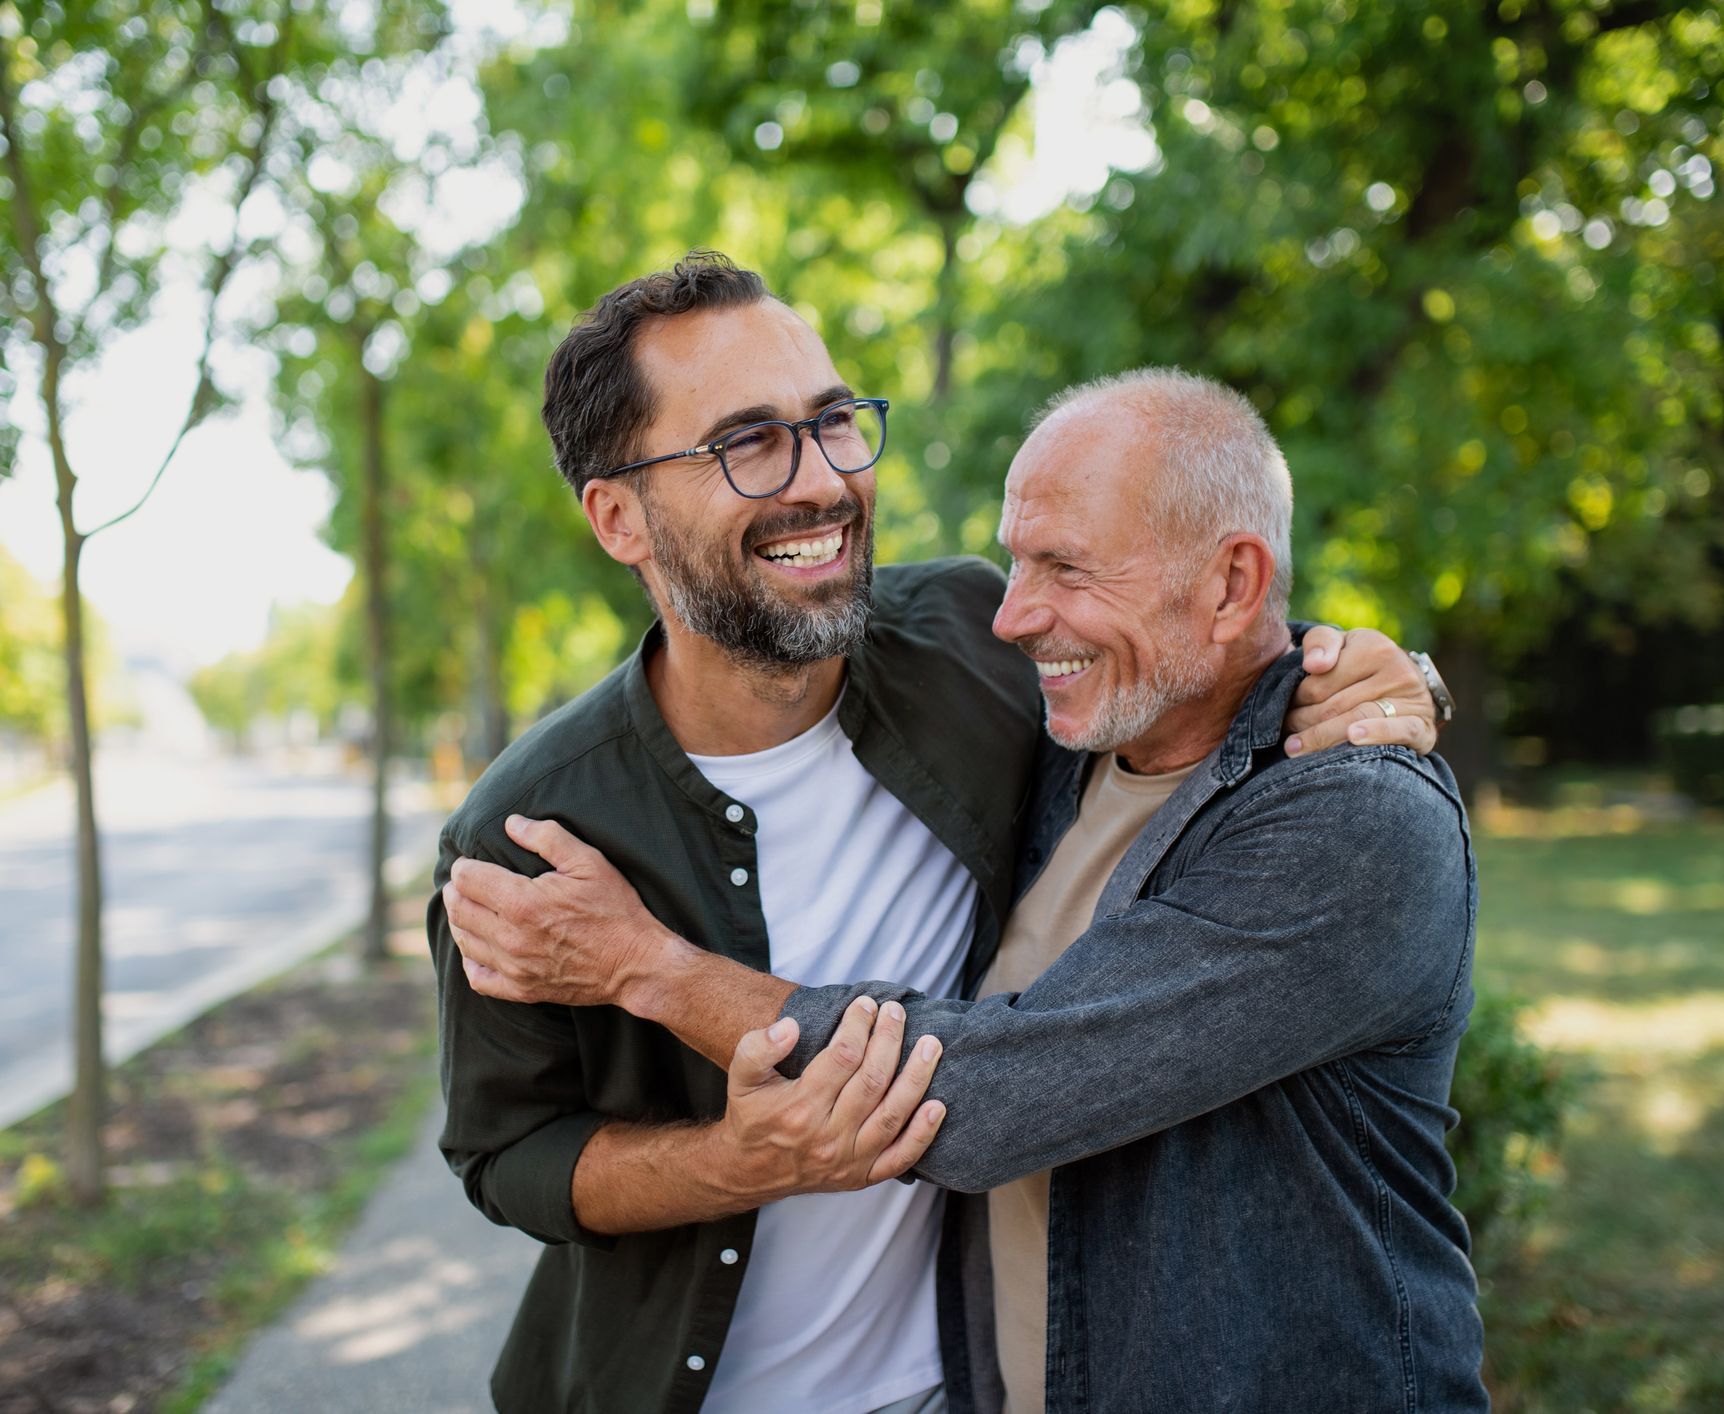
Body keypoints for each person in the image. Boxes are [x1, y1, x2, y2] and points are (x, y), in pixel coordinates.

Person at [430, 252, 1444, 1414]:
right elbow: (507, 1158)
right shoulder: (532, 836)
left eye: (832, 423)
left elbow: (1176, 632)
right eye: (748, 443)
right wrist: (733, 1163)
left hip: (947, 1386)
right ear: (619, 515)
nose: (819, 481)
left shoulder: (971, 641)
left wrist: (1367, 667)